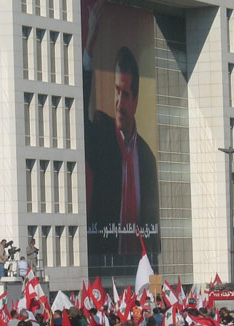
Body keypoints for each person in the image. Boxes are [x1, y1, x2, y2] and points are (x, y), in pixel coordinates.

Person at [83, 0, 159, 257]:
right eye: (116, 91)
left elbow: (150, 219)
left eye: (125, 94)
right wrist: (89, 50)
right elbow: (78, 118)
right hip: (102, 256)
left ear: (135, 100)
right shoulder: (102, 133)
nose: (119, 102)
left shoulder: (147, 158)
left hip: (140, 262)